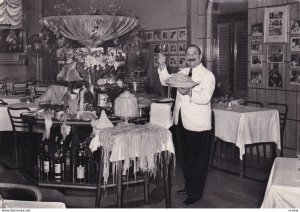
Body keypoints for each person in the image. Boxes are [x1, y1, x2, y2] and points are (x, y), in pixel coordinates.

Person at [157, 45, 216, 205]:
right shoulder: (182, 72)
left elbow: (205, 97)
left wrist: (189, 92)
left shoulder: (207, 75)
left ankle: (195, 193)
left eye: (194, 54)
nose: (190, 57)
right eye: (188, 54)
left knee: (198, 160)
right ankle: (189, 186)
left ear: (200, 56)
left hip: (198, 124)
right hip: (180, 121)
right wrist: (162, 65)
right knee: (184, 157)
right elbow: (166, 80)